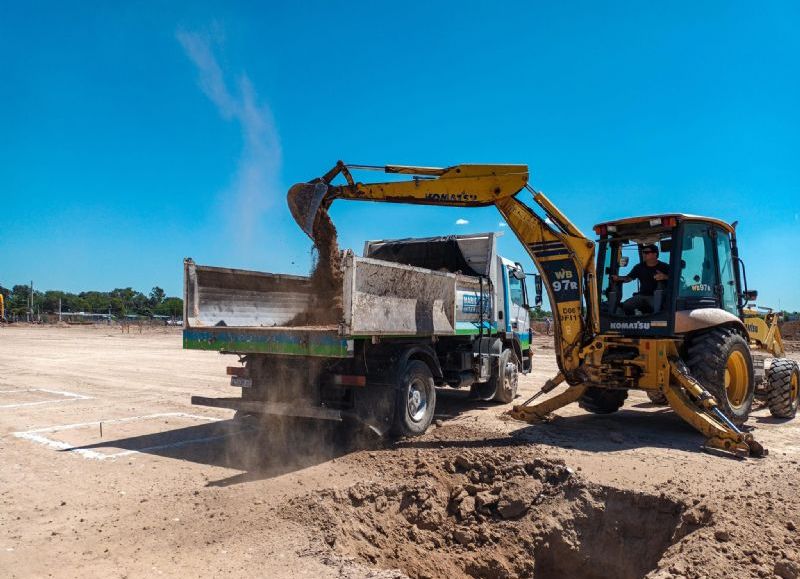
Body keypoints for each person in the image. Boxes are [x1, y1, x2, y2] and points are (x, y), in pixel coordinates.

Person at [612, 244, 669, 315]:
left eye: (647, 252)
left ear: (655, 254)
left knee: (658, 309)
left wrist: (664, 276)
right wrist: (618, 278)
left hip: (657, 297)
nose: (644, 254)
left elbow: (675, 279)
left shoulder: (665, 267)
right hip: (641, 295)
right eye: (643, 252)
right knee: (627, 306)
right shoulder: (639, 267)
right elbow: (629, 278)